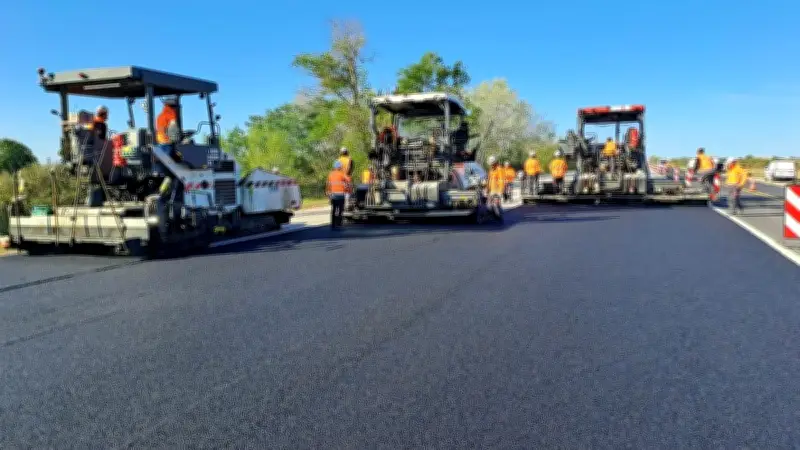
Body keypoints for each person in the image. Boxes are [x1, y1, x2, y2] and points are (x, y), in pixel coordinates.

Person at [326, 160, 351, 229]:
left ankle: (333, 224)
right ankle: (339, 223)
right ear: (340, 167)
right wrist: (348, 189)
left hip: (333, 195)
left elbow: (328, 184)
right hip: (341, 195)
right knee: (340, 209)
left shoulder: (330, 174)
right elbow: (348, 181)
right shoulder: (342, 174)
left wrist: (328, 192)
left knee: (333, 209)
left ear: (334, 167)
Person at [486, 155, 505, 222]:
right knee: (489, 205)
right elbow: (489, 180)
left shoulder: (499, 169)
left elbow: (501, 180)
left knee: (496, 205)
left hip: (497, 190)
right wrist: (487, 188)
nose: (491, 165)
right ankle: (493, 216)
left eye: (492, 163)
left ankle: (499, 217)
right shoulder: (491, 170)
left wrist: (500, 191)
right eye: (490, 164)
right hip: (491, 190)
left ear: (495, 163)